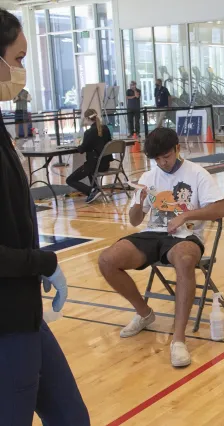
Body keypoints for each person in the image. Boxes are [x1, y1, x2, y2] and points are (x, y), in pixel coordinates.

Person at [0, 9, 90, 424]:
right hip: (6, 323)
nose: (22, 73)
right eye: (17, 60)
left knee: (71, 417)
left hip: (25, 312)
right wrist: (43, 261)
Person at [98, 127, 224, 368]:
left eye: (166, 156)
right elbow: (136, 221)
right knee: (107, 260)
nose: (162, 163)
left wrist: (185, 215)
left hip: (186, 237)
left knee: (185, 260)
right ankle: (145, 313)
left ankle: (178, 339)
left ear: (177, 149)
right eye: (157, 159)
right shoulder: (149, 177)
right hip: (153, 233)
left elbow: (221, 209)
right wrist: (137, 202)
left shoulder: (198, 174)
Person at [66, 108, 113, 203]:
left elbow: (83, 149)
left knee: (70, 180)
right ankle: (95, 189)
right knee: (90, 169)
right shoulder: (105, 128)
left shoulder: (89, 132)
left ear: (87, 119)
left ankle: (91, 191)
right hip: (105, 164)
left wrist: (78, 146)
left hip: (95, 165)